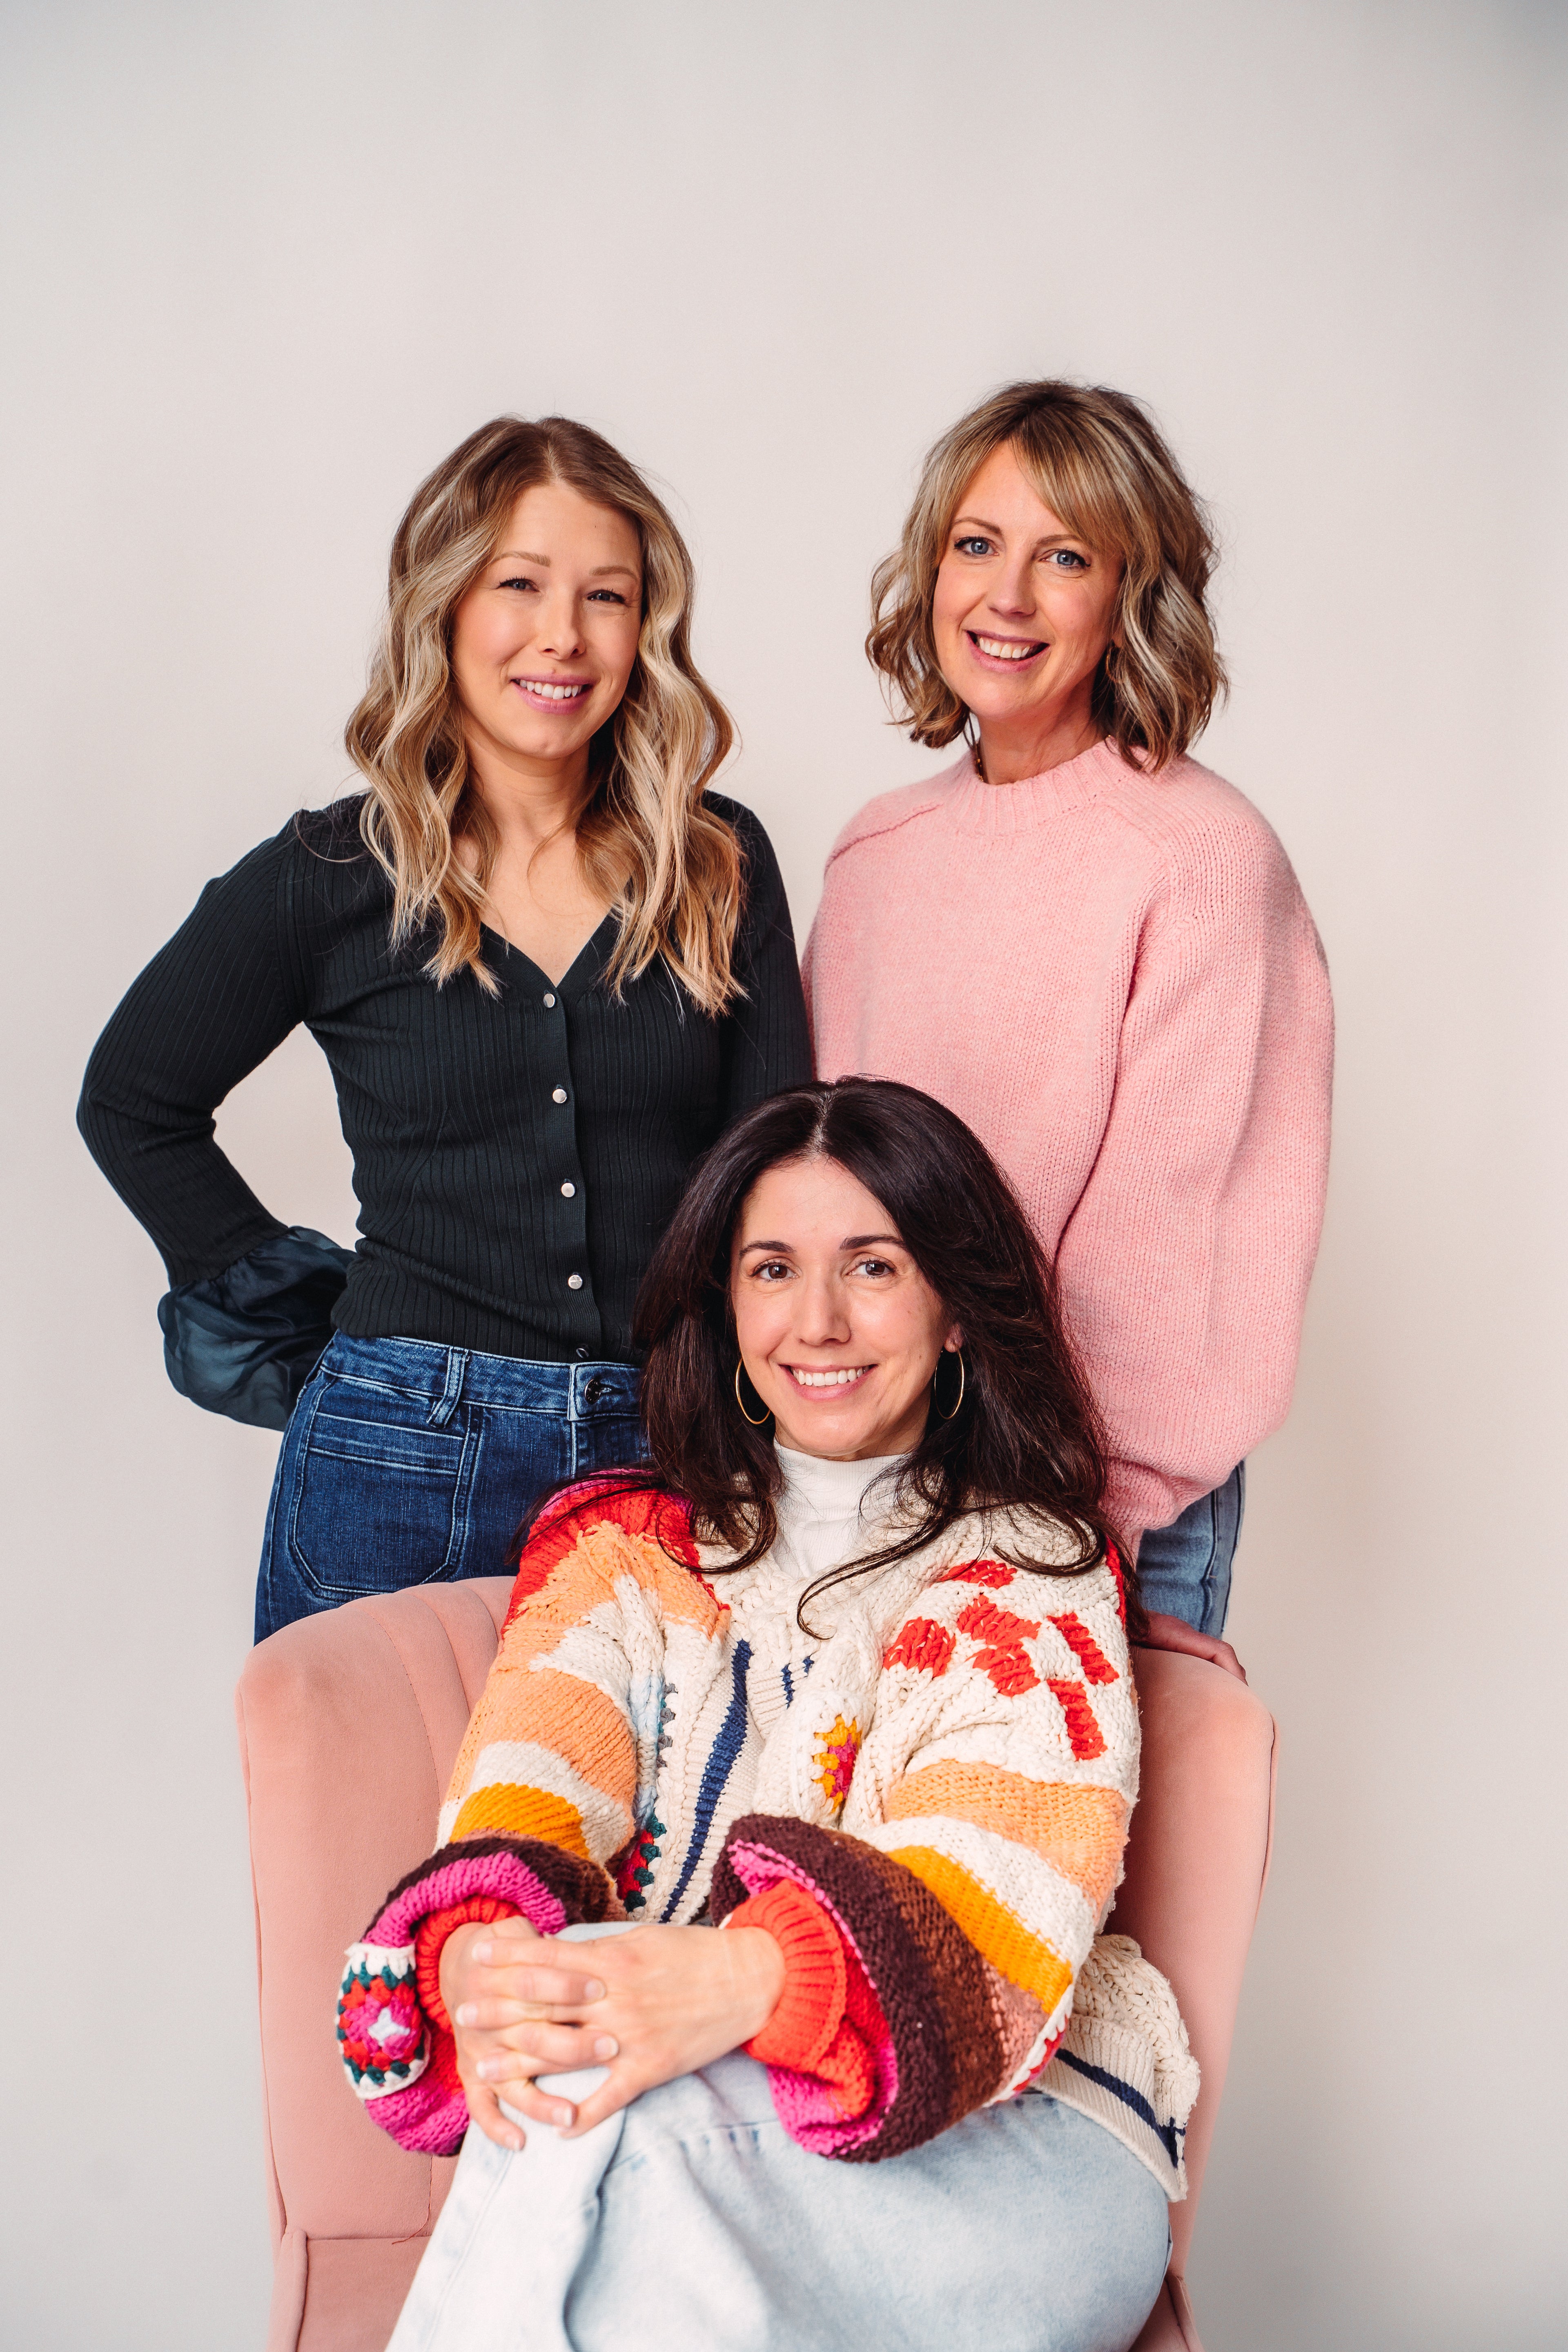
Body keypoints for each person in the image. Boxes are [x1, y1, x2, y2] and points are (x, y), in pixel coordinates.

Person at [337, 1079, 1195, 2352]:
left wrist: (748, 1974)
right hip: (690, 2111)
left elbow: (993, 1894)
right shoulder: (622, 1558)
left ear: (955, 1305)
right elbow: (527, 1776)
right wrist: (481, 1963)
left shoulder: (1028, 1575)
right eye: (774, 1268)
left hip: (1031, 2145)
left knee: (604, 2140)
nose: (820, 1319)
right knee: (620, 2174)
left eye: (875, 1266)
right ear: (726, 1302)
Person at [78, 416, 811, 1641]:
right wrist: (312, 1322)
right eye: (518, 584)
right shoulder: (329, 874)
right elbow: (133, 1102)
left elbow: (780, 1164)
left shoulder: (717, 861)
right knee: (376, 1834)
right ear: (445, 606)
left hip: (668, 1452)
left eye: (607, 595)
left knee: (649, 1837)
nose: (562, 635)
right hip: (395, 1458)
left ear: (648, 629)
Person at [803, 381, 1333, 1664]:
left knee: (1061, 1869)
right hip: (870, 1494)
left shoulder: (1199, 858)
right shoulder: (878, 854)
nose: (1007, 598)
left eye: (1066, 559)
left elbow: (1178, 1258)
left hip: (1095, 1514)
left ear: (1130, 595)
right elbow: (819, 1193)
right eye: (977, 546)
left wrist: (1076, 1534)